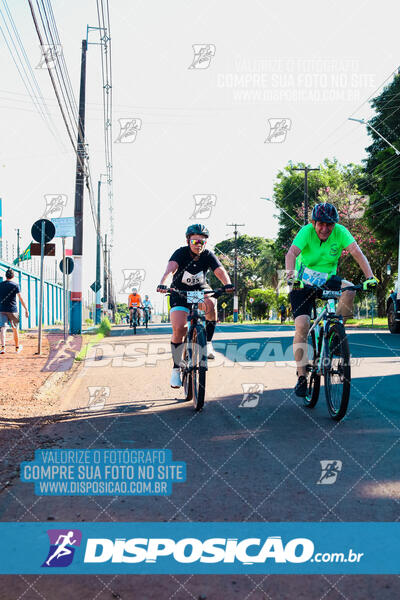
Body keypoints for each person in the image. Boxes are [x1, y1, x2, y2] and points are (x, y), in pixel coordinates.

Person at [285, 202, 378, 397]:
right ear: (313, 222)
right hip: (302, 283)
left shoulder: (341, 232)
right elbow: (291, 253)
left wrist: (370, 278)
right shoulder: (306, 232)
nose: (325, 229)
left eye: (330, 225)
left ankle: (336, 332)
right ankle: (302, 377)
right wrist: (291, 278)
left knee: (350, 290)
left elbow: (357, 253)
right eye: (321, 224)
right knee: (302, 325)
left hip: (328, 280)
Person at [157, 224, 234, 388]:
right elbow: (170, 270)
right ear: (188, 240)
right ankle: (176, 369)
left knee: (211, 301)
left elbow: (219, 270)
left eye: (202, 241)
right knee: (179, 328)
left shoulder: (208, 255)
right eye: (195, 241)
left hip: (199, 291)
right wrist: (163, 283)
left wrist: (227, 284)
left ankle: (208, 342)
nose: (198, 244)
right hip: (179, 293)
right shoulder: (180, 253)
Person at [0, 268, 29, 354]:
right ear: (13, 276)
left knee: (2, 329)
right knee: (15, 329)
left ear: (6, 275)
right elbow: (20, 298)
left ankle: (3, 348)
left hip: (2, 310)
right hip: (13, 310)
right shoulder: (15, 285)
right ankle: (16, 348)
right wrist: (26, 309)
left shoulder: (0, 285)